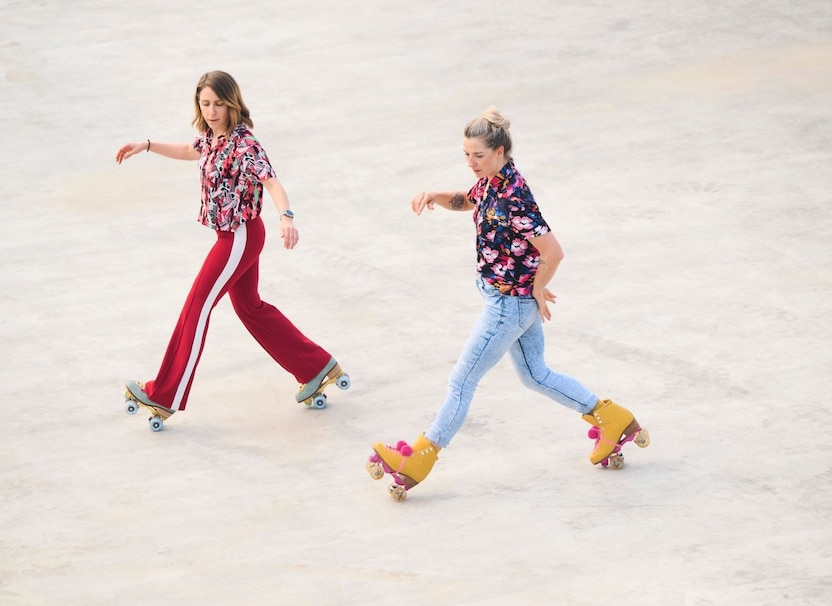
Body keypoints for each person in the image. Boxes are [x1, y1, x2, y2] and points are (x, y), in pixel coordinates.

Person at [370, 107, 648, 494]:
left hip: (508, 306)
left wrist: (536, 287)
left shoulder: (514, 195)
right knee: (535, 375)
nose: (471, 163)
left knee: (462, 380)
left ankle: (419, 457)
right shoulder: (491, 181)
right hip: (512, 301)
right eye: (466, 155)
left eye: (478, 156)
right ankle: (612, 417)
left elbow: (553, 251)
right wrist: (436, 194)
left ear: (499, 151)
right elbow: (470, 200)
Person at [116, 70, 348, 428]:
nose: (211, 111)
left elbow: (272, 183)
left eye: (218, 104)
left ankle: (164, 394)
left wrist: (286, 218)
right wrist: (147, 145)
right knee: (250, 307)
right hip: (234, 237)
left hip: (239, 236)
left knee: (196, 306)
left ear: (232, 103)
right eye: (205, 104)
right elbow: (188, 149)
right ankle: (316, 367)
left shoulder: (244, 144)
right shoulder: (211, 138)